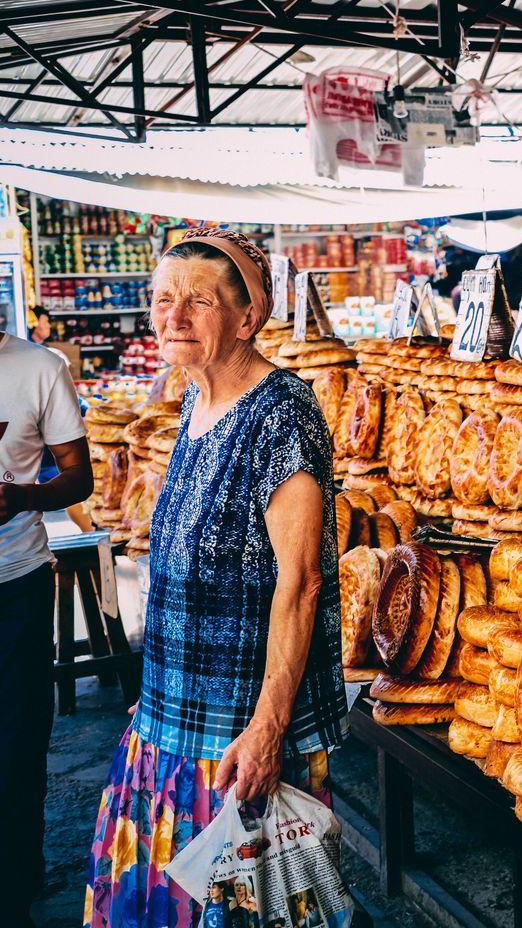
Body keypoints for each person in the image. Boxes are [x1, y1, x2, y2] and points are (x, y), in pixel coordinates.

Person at [84, 228, 345, 928]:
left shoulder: (281, 413)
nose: (174, 316)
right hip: (172, 715)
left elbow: (301, 584)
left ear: (247, 317)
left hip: (238, 730)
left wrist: (267, 730)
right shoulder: (194, 404)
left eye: (198, 301)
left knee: (247, 911)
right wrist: (153, 698)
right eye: (163, 300)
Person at [0, 320, 92, 923]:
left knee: (17, 743)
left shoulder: (39, 367)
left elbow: (77, 476)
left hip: (17, 584)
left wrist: (24, 498)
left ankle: (15, 892)